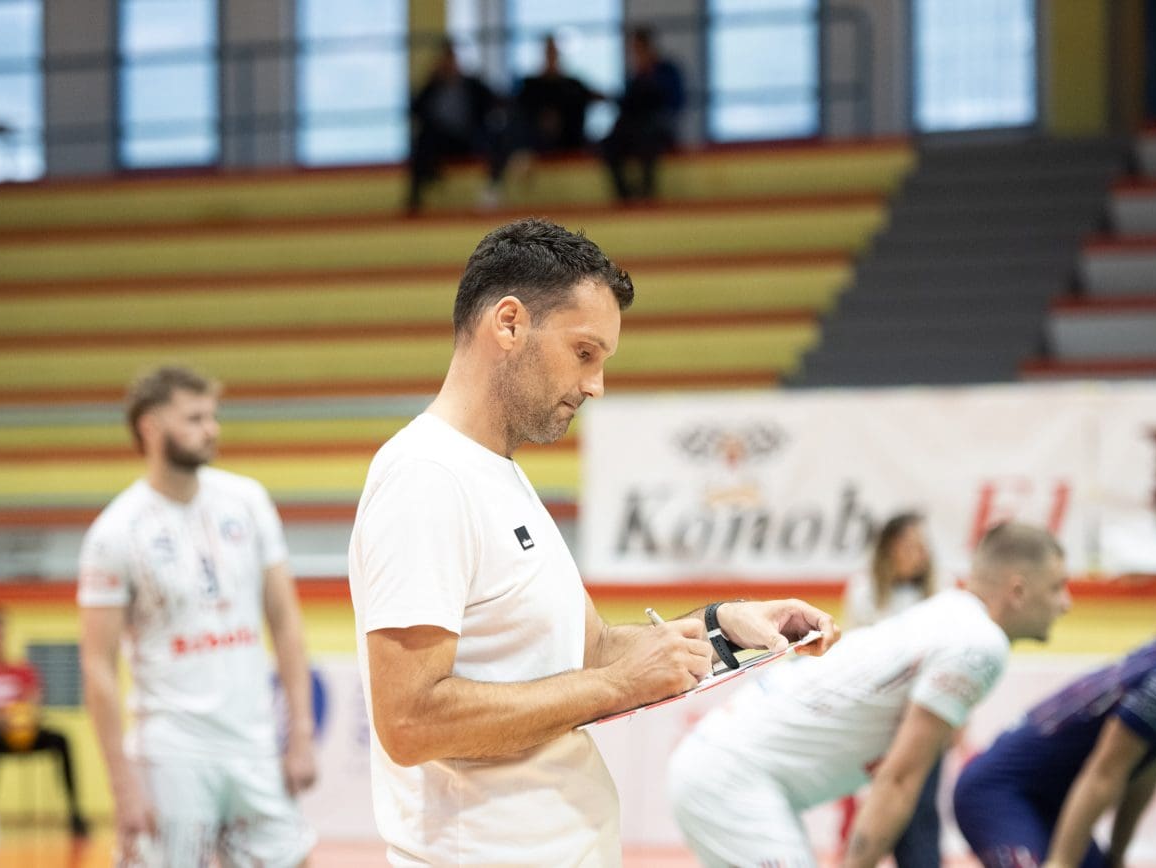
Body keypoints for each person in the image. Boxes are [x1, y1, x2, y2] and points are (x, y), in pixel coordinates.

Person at [347, 217, 840, 866]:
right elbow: (410, 723)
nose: (595, 385)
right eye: (584, 353)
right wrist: (615, 688)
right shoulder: (426, 477)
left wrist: (724, 628)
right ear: (509, 323)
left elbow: (594, 651)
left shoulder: (495, 473)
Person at [668, 522, 1073, 868]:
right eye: (1057, 588)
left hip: (721, 762)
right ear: (1018, 591)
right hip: (731, 779)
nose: (1066, 604)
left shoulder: (952, 609)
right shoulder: (981, 644)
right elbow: (898, 781)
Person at [78, 365, 317, 867]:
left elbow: (286, 622)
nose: (212, 429)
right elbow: (98, 666)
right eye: (194, 418)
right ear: (149, 427)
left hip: (255, 747)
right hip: (172, 756)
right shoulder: (114, 532)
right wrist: (123, 786)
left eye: (213, 416)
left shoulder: (247, 501)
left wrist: (300, 733)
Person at [953, 577, 1156, 868]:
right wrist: (1062, 861)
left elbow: (1147, 768)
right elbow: (1104, 774)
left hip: (1048, 803)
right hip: (998, 794)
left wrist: (1117, 856)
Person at [838, 512, 941, 868]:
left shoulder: (940, 592)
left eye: (924, 546)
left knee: (921, 807)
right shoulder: (864, 592)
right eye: (912, 545)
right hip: (879, 718)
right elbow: (852, 655)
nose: (921, 553)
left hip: (926, 714)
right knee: (874, 806)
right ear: (890, 548)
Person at [0, 606, 89, 837]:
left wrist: (18, 716)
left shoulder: (22, 670)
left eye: (0, 633)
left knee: (61, 739)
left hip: (25, 731)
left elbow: (34, 703)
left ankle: (75, 814)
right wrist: (4, 717)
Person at [408, 39, 505, 212]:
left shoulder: (472, 84)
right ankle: (416, 198)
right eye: (444, 60)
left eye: (451, 59)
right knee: (424, 139)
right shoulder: (433, 87)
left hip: (470, 137)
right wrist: (431, 81)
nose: (448, 64)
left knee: (495, 135)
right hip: (441, 141)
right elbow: (415, 110)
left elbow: (495, 101)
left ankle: (493, 187)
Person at [601, 26, 685, 201]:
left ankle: (647, 195)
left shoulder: (667, 71)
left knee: (647, 142)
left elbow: (675, 102)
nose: (637, 55)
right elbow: (627, 106)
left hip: (657, 128)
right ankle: (625, 197)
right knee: (608, 145)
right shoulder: (635, 78)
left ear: (650, 47)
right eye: (635, 50)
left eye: (639, 49)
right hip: (633, 129)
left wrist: (651, 79)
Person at [513, 35, 603, 156]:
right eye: (549, 50)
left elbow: (592, 97)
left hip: (571, 150)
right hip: (537, 153)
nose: (552, 55)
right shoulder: (530, 87)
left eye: (554, 51)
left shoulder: (573, 86)